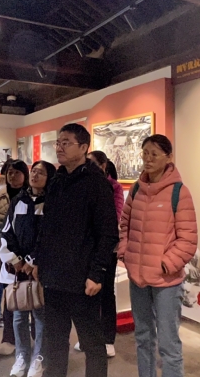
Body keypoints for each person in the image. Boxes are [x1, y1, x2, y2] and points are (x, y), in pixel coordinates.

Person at [33, 123, 119, 377]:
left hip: (82, 279)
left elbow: (108, 233)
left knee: (92, 342)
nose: (59, 148)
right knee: (55, 340)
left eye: (66, 143)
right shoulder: (57, 180)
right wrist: (39, 261)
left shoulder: (96, 183)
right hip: (53, 277)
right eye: (58, 143)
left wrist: (97, 273)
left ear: (83, 148)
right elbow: (47, 226)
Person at [118, 134, 197, 377]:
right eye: (145, 153)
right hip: (137, 278)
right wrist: (126, 253)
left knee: (168, 343)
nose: (148, 159)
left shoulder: (179, 192)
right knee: (143, 337)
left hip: (166, 281)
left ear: (168, 157)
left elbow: (188, 239)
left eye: (154, 154)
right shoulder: (136, 189)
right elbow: (125, 225)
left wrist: (165, 264)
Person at [0, 160, 57, 377]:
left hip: (39, 268)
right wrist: (16, 260)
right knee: (18, 314)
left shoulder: (52, 203)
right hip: (18, 269)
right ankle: (22, 356)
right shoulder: (18, 200)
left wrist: (33, 261)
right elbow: (7, 232)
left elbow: (50, 236)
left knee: (40, 314)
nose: (35, 175)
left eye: (41, 172)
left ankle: (38, 358)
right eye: (33, 171)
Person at [76, 150, 124, 358]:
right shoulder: (83, 184)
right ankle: (88, 337)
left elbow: (115, 216)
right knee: (86, 294)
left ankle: (107, 338)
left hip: (106, 248)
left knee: (106, 293)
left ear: (104, 166)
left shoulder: (114, 187)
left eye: (94, 163)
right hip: (85, 248)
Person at [0, 160, 30, 355]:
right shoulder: (0, 196)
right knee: (9, 297)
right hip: (5, 253)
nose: (13, 176)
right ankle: (9, 337)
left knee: (32, 295)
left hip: (29, 256)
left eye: (17, 172)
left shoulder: (32, 196)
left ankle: (32, 336)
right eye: (10, 173)